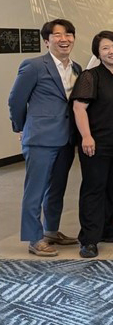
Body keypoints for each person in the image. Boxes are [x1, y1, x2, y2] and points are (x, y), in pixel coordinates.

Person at [8, 19, 82, 256]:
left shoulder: (76, 68)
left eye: (69, 34)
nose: (64, 39)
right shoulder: (33, 66)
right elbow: (16, 100)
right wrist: (22, 127)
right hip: (40, 137)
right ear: (46, 41)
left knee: (57, 188)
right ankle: (34, 238)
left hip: (67, 138)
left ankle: (51, 230)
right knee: (35, 190)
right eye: (58, 35)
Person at [71, 31, 113, 258]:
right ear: (98, 53)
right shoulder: (90, 76)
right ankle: (89, 239)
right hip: (96, 143)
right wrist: (86, 137)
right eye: (105, 48)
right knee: (95, 188)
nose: (112, 51)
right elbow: (79, 108)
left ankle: (106, 228)